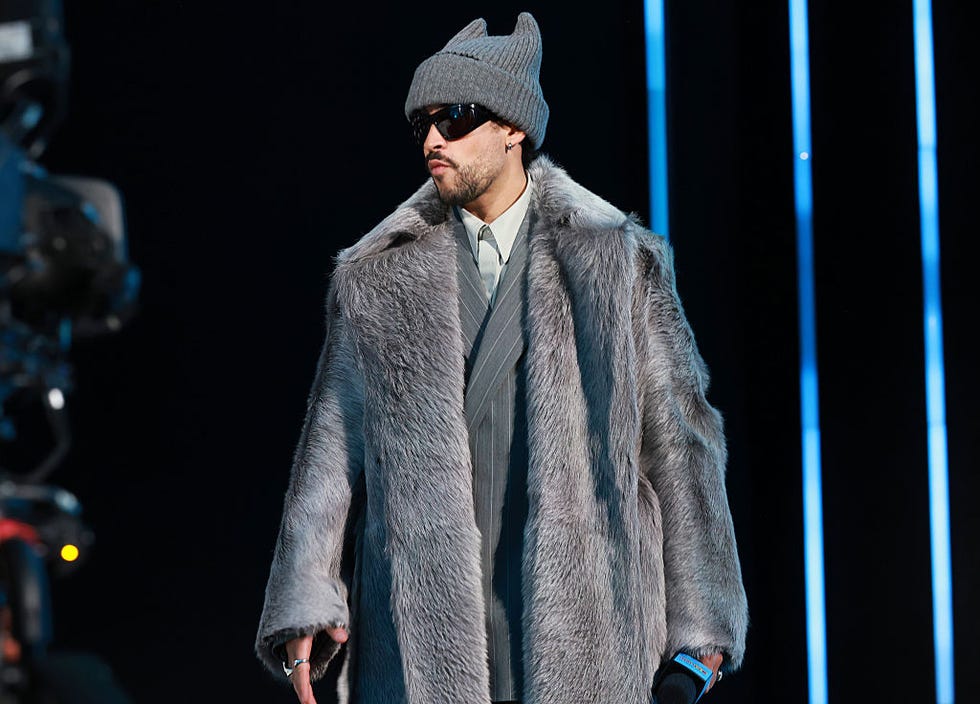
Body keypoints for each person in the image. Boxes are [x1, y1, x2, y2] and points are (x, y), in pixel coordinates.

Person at [255, 12, 747, 704]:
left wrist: (703, 630)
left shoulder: (614, 260)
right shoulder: (376, 276)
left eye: (453, 118)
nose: (431, 139)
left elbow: (680, 441)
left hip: (582, 623)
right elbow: (330, 448)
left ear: (514, 127)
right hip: (424, 630)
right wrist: (305, 594)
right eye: (423, 122)